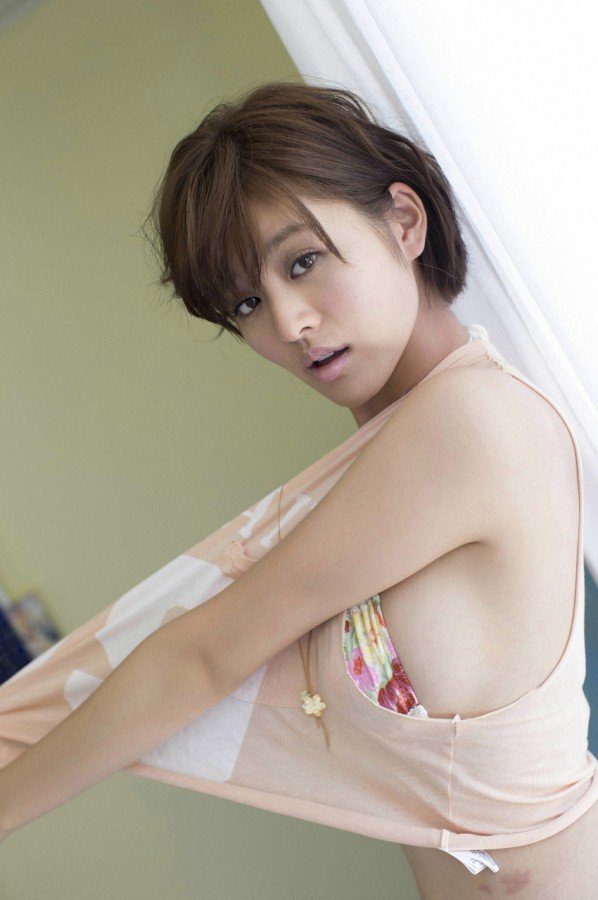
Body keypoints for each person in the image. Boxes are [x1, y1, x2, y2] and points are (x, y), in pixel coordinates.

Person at [1, 79, 597, 898]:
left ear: (404, 221)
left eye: (303, 262)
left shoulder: (474, 422)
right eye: (248, 302)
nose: (288, 323)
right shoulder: (387, 457)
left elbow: (204, 655)